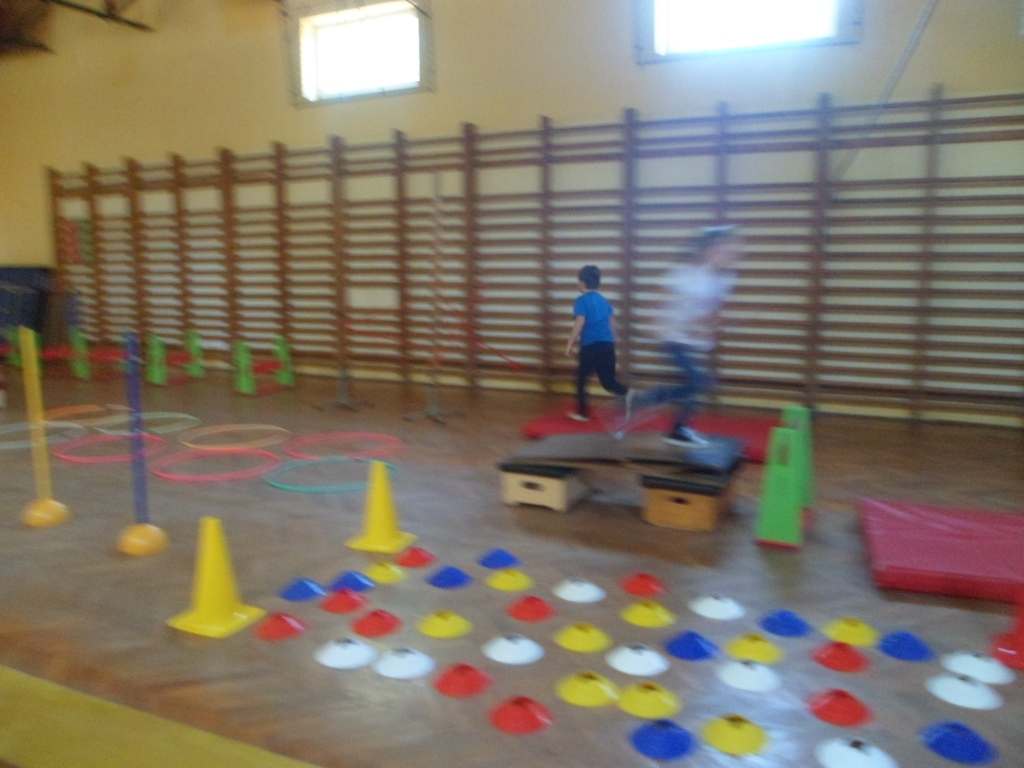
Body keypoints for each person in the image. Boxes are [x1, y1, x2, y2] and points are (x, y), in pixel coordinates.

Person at [627, 226, 742, 447]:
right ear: (708, 251)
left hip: (692, 341)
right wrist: (648, 323)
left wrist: (716, 324)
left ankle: (662, 414)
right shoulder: (684, 274)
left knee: (696, 384)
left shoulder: (724, 278)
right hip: (673, 338)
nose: (731, 255)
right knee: (698, 382)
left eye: (732, 251)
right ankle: (663, 417)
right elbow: (659, 299)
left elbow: (712, 311)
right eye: (725, 250)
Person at [565, 265, 628, 421]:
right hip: (607, 346)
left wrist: (570, 344)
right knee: (608, 382)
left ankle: (583, 413)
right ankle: (629, 393)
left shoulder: (581, 300)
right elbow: (612, 324)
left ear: (581, 282)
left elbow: (580, 322)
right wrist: (613, 342)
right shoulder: (605, 301)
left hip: (590, 347)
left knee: (581, 379)